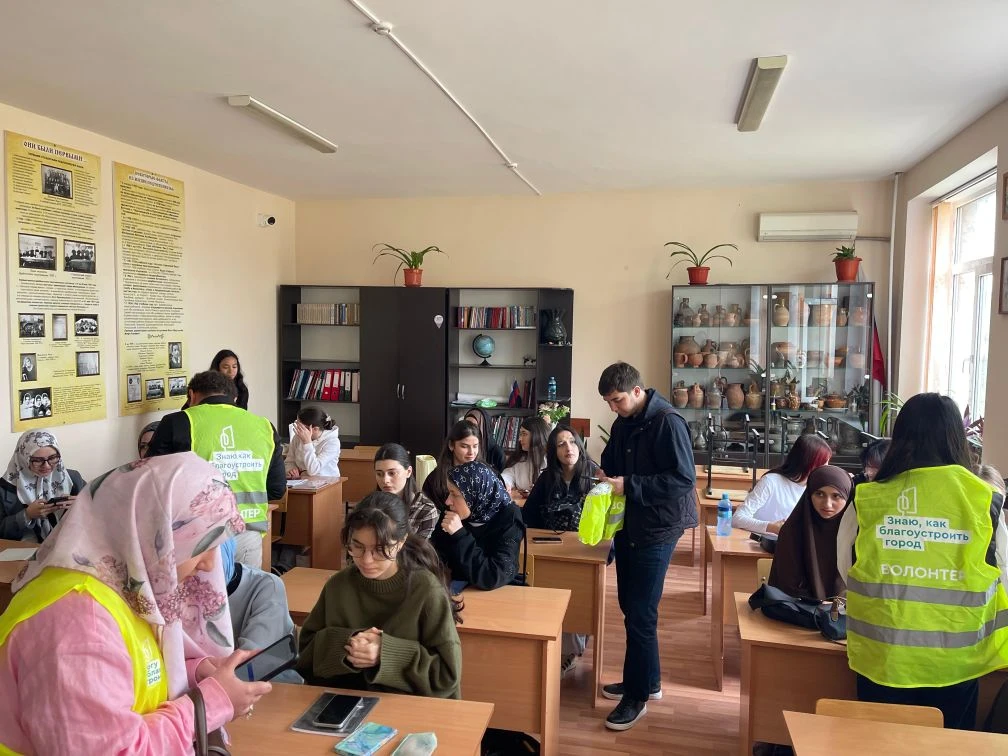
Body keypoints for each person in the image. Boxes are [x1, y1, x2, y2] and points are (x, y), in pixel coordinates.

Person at [0, 453, 271, 754]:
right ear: (155, 536)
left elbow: (129, 674)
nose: (210, 564)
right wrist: (210, 704)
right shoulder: (79, 627)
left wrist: (196, 673)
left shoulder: (124, 586)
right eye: (200, 546)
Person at [838, 393, 1008, 729]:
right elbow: (1003, 572)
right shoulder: (983, 499)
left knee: (879, 746)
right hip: (957, 663)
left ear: (900, 437)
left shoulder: (870, 497)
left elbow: (846, 567)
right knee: (946, 747)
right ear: (956, 439)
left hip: (882, 658)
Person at [597, 361, 697, 731]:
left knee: (640, 613)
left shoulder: (668, 422)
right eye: (609, 402)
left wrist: (630, 485)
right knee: (632, 607)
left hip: (659, 528)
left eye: (618, 400)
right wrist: (606, 472)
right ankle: (648, 681)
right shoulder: (624, 421)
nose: (613, 408)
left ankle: (636, 698)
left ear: (637, 391)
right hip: (631, 523)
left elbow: (684, 479)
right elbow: (614, 460)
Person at [296, 491, 462, 698]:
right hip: (344, 702)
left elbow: (447, 676)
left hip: (410, 706)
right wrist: (349, 644)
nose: (367, 560)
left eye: (380, 549)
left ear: (401, 543)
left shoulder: (426, 590)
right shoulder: (338, 586)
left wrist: (385, 653)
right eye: (357, 547)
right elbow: (304, 656)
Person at [147, 370, 285, 569]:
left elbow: (152, 480)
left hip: (198, 537)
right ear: (234, 398)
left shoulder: (177, 422)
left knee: (201, 590)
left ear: (192, 395)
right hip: (248, 532)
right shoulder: (265, 426)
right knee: (243, 588)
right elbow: (276, 489)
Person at [523, 424, 598, 673]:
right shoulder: (547, 478)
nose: (569, 448)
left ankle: (571, 649)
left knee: (578, 599)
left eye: (573, 442)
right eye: (561, 444)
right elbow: (529, 515)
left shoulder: (593, 474)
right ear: (553, 452)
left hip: (584, 550)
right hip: (551, 549)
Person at [430, 461, 525, 591]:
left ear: (475, 495)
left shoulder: (509, 517)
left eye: (455, 494)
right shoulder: (453, 512)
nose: (447, 501)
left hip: (497, 594)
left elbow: (493, 576)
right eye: (449, 493)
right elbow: (434, 558)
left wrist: (460, 535)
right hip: (457, 591)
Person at [219, 538, 303, 684]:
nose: (205, 564)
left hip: (264, 690)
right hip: (215, 687)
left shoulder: (266, 587)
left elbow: (249, 670)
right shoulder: (181, 591)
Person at [768, 465, 852, 601]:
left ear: (848, 497)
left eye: (836, 496)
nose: (827, 504)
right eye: (819, 494)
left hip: (847, 610)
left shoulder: (857, 533)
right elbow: (787, 586)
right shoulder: (793, 531)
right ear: (809, 494)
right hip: (799, 609)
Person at [732, 434, 832, 535]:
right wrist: (771, 527)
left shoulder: (814, 488)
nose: (826, 468)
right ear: (808, 462)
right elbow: (737, 519)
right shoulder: (771, 481)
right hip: (761, 542)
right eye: (823, 463)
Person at [1, 430, 86, 542]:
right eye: (37, 460)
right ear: (23, 458)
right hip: (23, 549)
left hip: (68, 546)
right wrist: (27, 515)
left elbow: (100, 514)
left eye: (52, 458)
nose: (46, 465)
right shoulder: (4, 488)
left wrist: (82, 507)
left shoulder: (73, 479)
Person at [374, 443, 438, 539]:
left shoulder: (425, 510)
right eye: (379, 474)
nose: (385, 480)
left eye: (392, 473)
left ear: (408, 472)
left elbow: (419, 548)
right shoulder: (370, 505)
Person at [421, 420, 483, 507]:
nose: (471, 452)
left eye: (475, 446)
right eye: (464, 446)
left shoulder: (486, 475)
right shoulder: (434, 480)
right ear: (451, 445)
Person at [501, 416, 551, 500]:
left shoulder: (551, 460)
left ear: (537, 435)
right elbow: (508, 475)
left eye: (524, 434)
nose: (520, 439)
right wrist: (505, 483)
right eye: (520, 434)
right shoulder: (520, 458)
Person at [285, 406, 341, 478]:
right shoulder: (297, 437)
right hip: (302, 480)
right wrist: (291, 469)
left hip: (326, 481)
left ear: (315, 429)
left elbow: (313, 470)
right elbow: (289, 461)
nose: (297, 428)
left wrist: (307, 443)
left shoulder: (332, 443)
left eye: (300, 426)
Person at [463, 407, 506, 474]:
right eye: (466, 425)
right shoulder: (461, 449)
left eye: (474, 426)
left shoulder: (497, 452)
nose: (469, 429)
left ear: (482, 427)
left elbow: (501, 478)